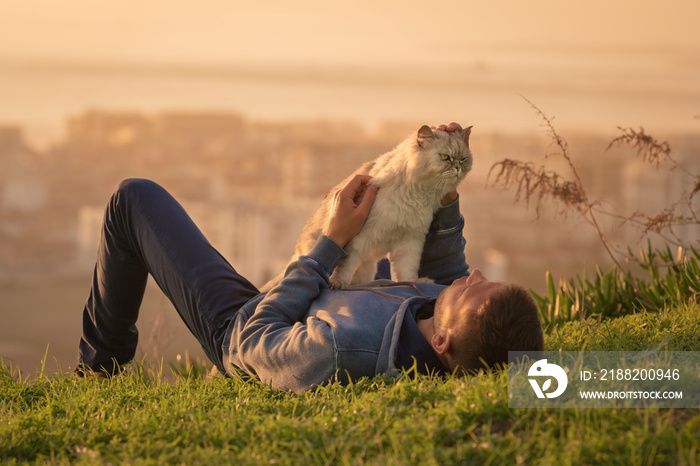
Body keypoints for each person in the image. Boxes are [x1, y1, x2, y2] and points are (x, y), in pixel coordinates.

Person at [76, 123, 544, 393]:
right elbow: (445, 272)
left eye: (473, 287)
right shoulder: (441, 320)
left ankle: (97, 369)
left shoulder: (340, 347)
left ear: (441, 341)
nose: (473, 275)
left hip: (249, 320)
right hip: (344, 293)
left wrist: (333, 241)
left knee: (133, 198)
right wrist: (440, 192)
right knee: (394, 215)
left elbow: (251, 342)